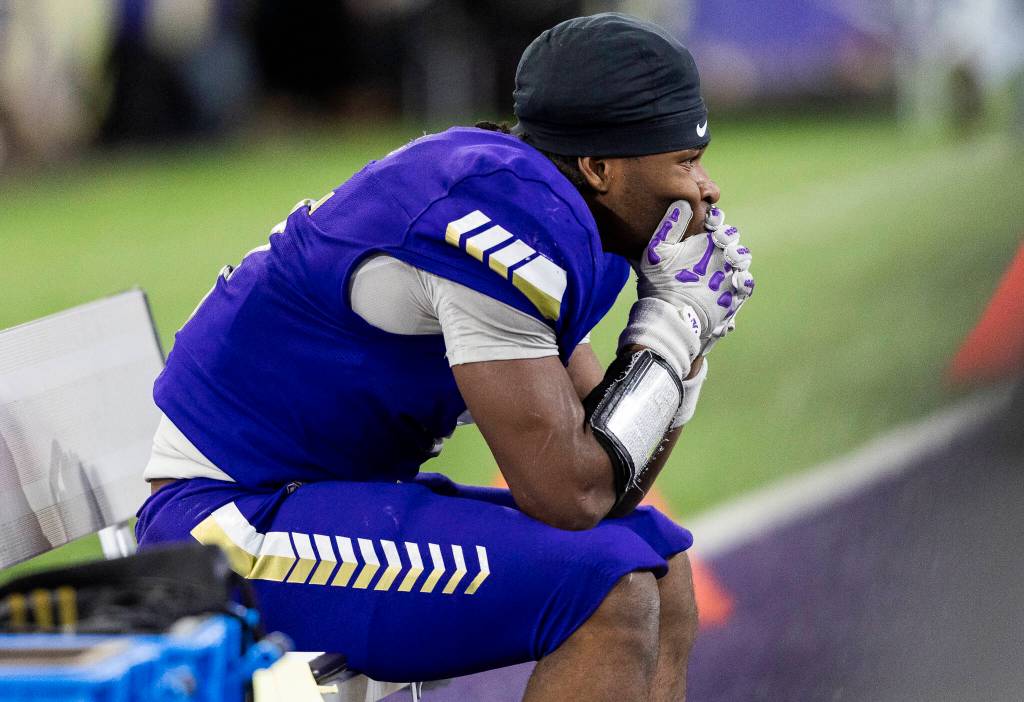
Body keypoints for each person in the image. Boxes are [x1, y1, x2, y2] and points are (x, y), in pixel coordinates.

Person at [135, 12, 754, 702]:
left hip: (314, 497)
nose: (706, 188)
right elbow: (569, 494)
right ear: (600, 166)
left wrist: (682, 349)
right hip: (221, 524)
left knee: (662, 561)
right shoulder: (504, 215)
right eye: (686, 160)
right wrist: (667, 332)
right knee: (609, 591)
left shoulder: (565, 215)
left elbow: (610, 475)